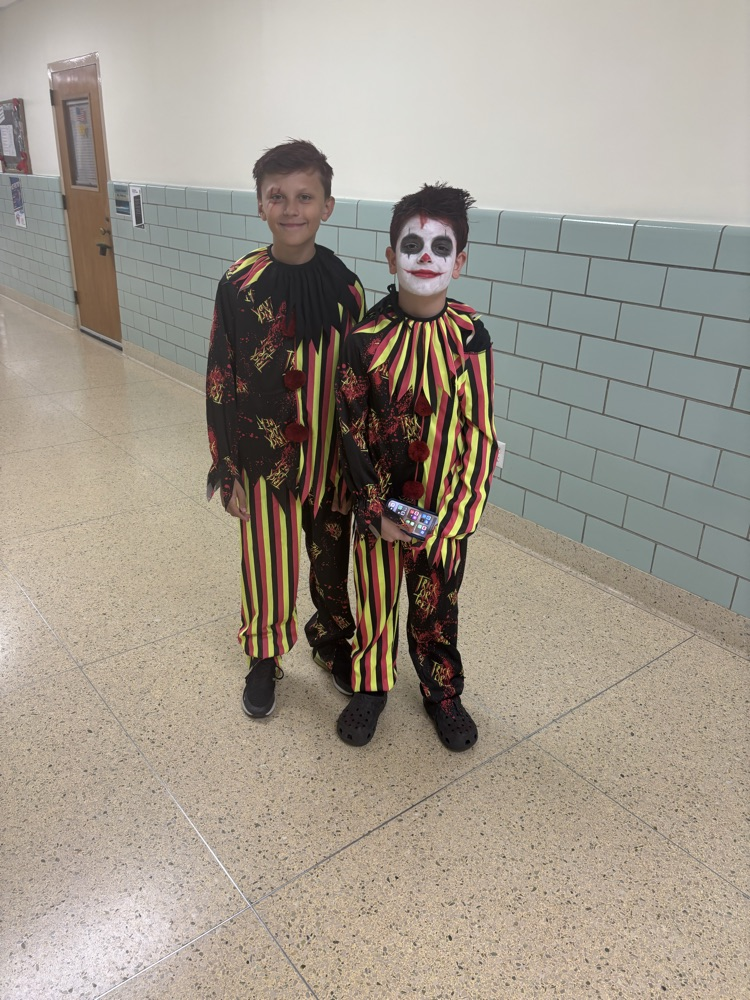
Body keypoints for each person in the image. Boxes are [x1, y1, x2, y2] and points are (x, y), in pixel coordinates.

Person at [335, 183, 498, 751]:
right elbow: (351, 430)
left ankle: (442, 693)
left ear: (460, 260)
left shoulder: (470, 337)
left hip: (442, 511)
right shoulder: (364, 340)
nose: (425, 257)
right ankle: (372, 684)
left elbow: (479, 430)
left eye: (440, 245)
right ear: (390, 257)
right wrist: (375, 509)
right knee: (375, 600)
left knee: (437, 609)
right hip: (380, 509)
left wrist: (452, 519)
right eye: (411, 244)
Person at [206, 139, 365, 718]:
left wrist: (361, 464)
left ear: (327, 204)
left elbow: (357, 381)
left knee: (331, 557)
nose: (291, 208)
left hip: (330, 460)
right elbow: (220, 379)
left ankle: (330, 642)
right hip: (261, 459)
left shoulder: (348, 288)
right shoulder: (239, 284)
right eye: (277, 196)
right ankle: (265, 654)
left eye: (305, 196)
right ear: (259, 204)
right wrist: (227, 469)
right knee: (268, 559)